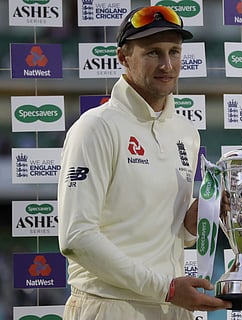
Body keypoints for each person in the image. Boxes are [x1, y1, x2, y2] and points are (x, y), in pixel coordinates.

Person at [57, 5, 231, 320]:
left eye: (174, 52)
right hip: (110, 306)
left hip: (173, 307)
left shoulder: (185, 132)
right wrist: (166, 288)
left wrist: (197, 217)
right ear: (123, 57)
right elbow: (76, 237)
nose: (167, 65)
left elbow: (169, 231)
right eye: (152, 53)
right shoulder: (95, 127)